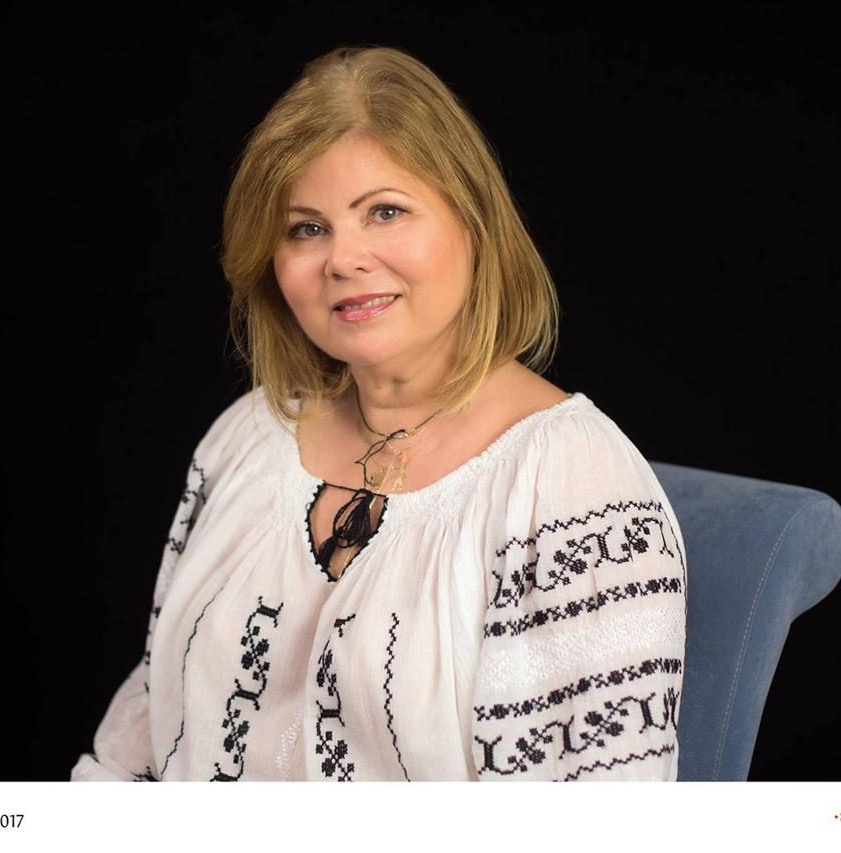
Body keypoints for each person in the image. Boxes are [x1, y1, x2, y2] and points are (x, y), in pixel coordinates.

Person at [70, 44, 687, 782]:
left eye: (385, 212)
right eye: (306, 228)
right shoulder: (248, 437)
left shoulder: (570, 485)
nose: (343, 259)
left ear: (474, 223)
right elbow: (148, 718)